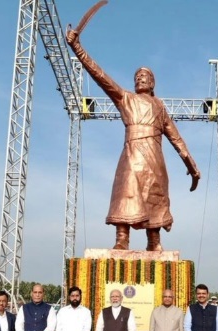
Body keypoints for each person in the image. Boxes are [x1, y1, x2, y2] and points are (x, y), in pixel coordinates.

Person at [65, 27, 200, 251]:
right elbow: (99, 75)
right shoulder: (125, 98)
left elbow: (177, 140)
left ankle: (154, 241)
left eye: (144, 76)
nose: (140, 78)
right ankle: (121, 238)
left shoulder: (160, 107)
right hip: (131, 154)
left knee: (155, 196)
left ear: (152, 83)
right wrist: (77, 47)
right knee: (125, 193)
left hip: (155, 158)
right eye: (137, 76)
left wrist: (192, 166)